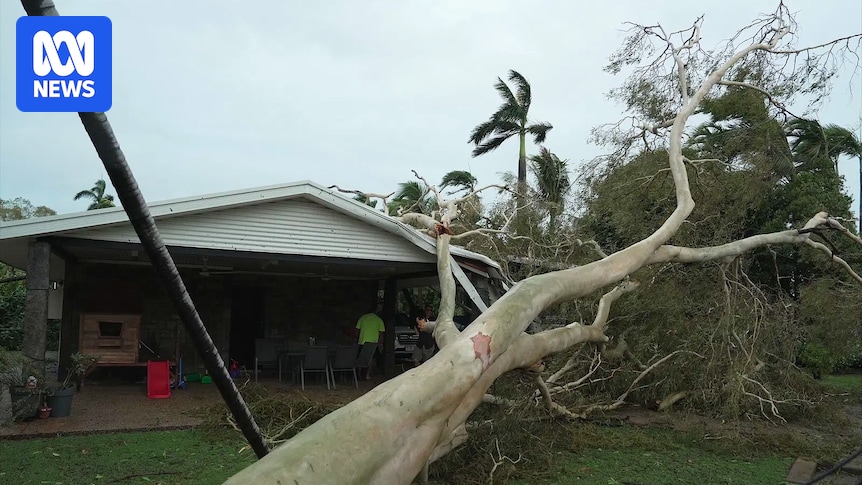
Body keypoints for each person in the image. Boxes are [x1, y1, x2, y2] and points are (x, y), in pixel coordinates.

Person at [355, 305, 385, 379]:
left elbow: (356, 331)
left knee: (359, 358)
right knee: (371, 359)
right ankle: (367, 374)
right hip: (373, 344)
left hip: (362, 342)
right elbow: (381, 334)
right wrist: (381, 344)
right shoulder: (379, 320)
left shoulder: (362, 318)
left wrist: (356, 339)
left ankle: (358, 374)